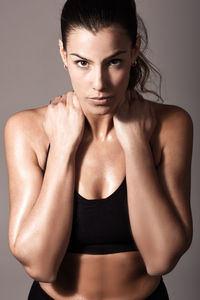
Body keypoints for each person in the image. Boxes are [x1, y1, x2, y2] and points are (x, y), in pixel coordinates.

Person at [4, 0, 193, 299]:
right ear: (64, 55)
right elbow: (40, 265)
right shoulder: (27, 130)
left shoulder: (171, 125)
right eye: (83, 63)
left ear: (134, 51)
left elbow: (161, 258)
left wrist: (135, 144)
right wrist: (63, 148)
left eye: (114, 61)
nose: (99, 84)